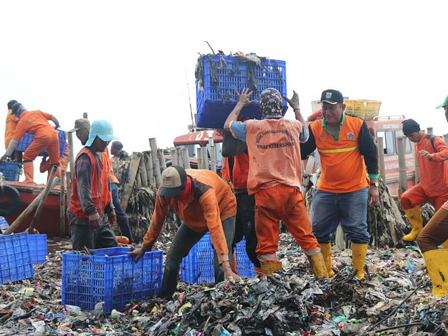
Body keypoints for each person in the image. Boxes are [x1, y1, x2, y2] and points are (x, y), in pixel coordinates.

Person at [223, 88, 327, 278]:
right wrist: (296, 108)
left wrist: (240, 103)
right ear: (281, 106)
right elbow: (306, 135)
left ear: (261, 108)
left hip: (265, 195)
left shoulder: (252, 127)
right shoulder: (293, 126)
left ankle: (273, 284)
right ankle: (323, 277)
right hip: (291, 193)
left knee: (267, 247)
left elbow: (228, 125)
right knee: (307, 239)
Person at [300, 89, 379, 279]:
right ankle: (326, 271)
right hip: (326, 189)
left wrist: (374, 184)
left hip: (355, 189)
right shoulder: (316, 128)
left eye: (332, 108)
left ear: (342, 107)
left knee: (357, 230)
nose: (327, 112)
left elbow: (371, 153)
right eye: (324, 108)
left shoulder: (356, 125)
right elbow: (302, 151)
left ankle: (358, 272)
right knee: (319, 231)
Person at [129, 165, 239, 298]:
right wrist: (145, 247)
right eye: (170, 194)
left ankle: (223, 298)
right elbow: (157, 220)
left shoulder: (204, 191)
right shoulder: (164, 193)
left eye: (175, 194)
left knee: (220, 262)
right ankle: (165, 297)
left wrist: (227, 268)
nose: (172, 198)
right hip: (194, 217)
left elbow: (215, 228)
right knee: (173, 256)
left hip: (223, 209)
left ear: (184, 187)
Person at [67, 120, 118, 250]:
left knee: (111, 247)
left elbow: (105, 184)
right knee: (84, 257)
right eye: (103, 140)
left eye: (108, 140)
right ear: (94, 137)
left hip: (100, 215)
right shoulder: (85, 158)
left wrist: (109, 208)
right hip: (83, 217)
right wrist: (91, 211)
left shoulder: (102, 155)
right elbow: (83, 188)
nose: (106, 143)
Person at [415, 95, 448, 297]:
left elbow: (444, 153)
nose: (445, 113)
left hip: (441, 192)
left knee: (426, 238)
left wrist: (434, 157)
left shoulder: (433, 140)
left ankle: (442, 290)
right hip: (433, 190)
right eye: (445, 109)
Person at [399, 119, 448, 242]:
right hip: (425, 186)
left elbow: (446, 151)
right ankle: (417, 228)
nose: (410, 138)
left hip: (441, 189)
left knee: (441, 223)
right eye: (407, 136)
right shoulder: (417, 144)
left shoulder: (433, 139)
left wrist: (433, 156)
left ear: (417, 130)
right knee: (406, 198)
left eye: (411, 135)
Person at [221, 129, 261, 273]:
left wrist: (227, 131)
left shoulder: (244, 138)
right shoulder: (231, 140)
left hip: (250, 194)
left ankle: (264, 278)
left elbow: (227, 150)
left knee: (254, 244)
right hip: (236, 194)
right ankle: (232, 277)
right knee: (229, 238)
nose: (219, 132)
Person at [1, 103, 61, 183]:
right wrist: (57, 125)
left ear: (17, 113)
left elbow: (14, 141)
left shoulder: (22, 122)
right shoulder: (37, 112)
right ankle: (60, 183)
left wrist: (6, 155)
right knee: (55, 162)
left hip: (43, 136)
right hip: (55, 135)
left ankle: (29, 180)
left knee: (27, 156)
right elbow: (53, 117)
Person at [109, 140, 134, 243]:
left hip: (109, 184)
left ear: (115, 148)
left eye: (112, 147)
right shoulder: (124, 157)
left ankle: (128, 239)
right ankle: (129, 239)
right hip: (112, 184)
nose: (110, 149)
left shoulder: (113, 159)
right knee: (119, 213)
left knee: (117, 212)